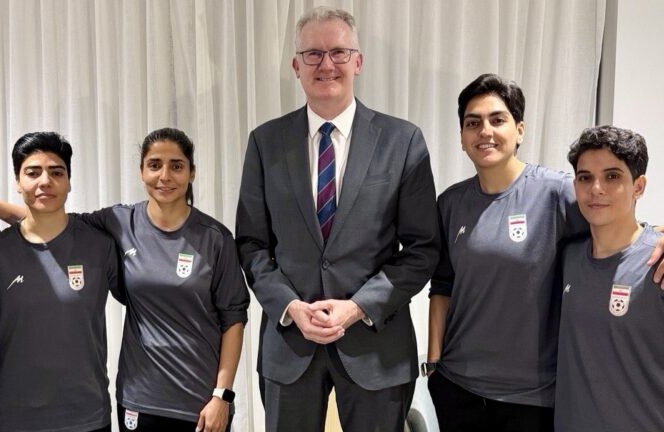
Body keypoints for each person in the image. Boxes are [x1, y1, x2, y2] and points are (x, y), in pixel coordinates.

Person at [0, 127, 249, 432]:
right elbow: (47, 217)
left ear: (192, 173)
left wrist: (223, 393)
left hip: (197, 399)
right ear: (141, 172)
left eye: (176, 166)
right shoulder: (117, 223)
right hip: (136, 399)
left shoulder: (214, 238)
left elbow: (233, 317)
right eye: (154, 165)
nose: (165, 176)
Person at [235, 6, 440, 432]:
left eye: (339, 52)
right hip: (291, 346)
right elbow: (252, 245)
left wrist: (358, 307)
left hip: (376, 347)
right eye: (313, 54)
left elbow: (422, 249)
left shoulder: (403, 141)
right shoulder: (265, 142)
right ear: (296, 66)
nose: (326, 64)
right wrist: (289, 305)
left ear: (358, 61)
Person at [427, 74, 664, 432]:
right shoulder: (450, 203)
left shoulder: (557, 193)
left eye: (498, 119)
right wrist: (434, 364)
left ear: (519, 130)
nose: (485, 131)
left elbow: (617, 226)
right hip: (458, 388)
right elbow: (442, 285)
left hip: (532, 397)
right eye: (473, 123)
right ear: (461, 138)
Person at [0, 132, 121, 431]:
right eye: (32, 173)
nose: (45, 181)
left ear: (69, 181)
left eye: (56, 172)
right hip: (13, 414)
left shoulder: (100, 246)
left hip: (86, 414)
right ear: (17, 182)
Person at [555, 126, 663, 431]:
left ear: (638, 186)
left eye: (613, 176)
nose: (596, 188)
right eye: (585, 177)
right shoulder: (567, 257)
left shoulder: (658, 262)